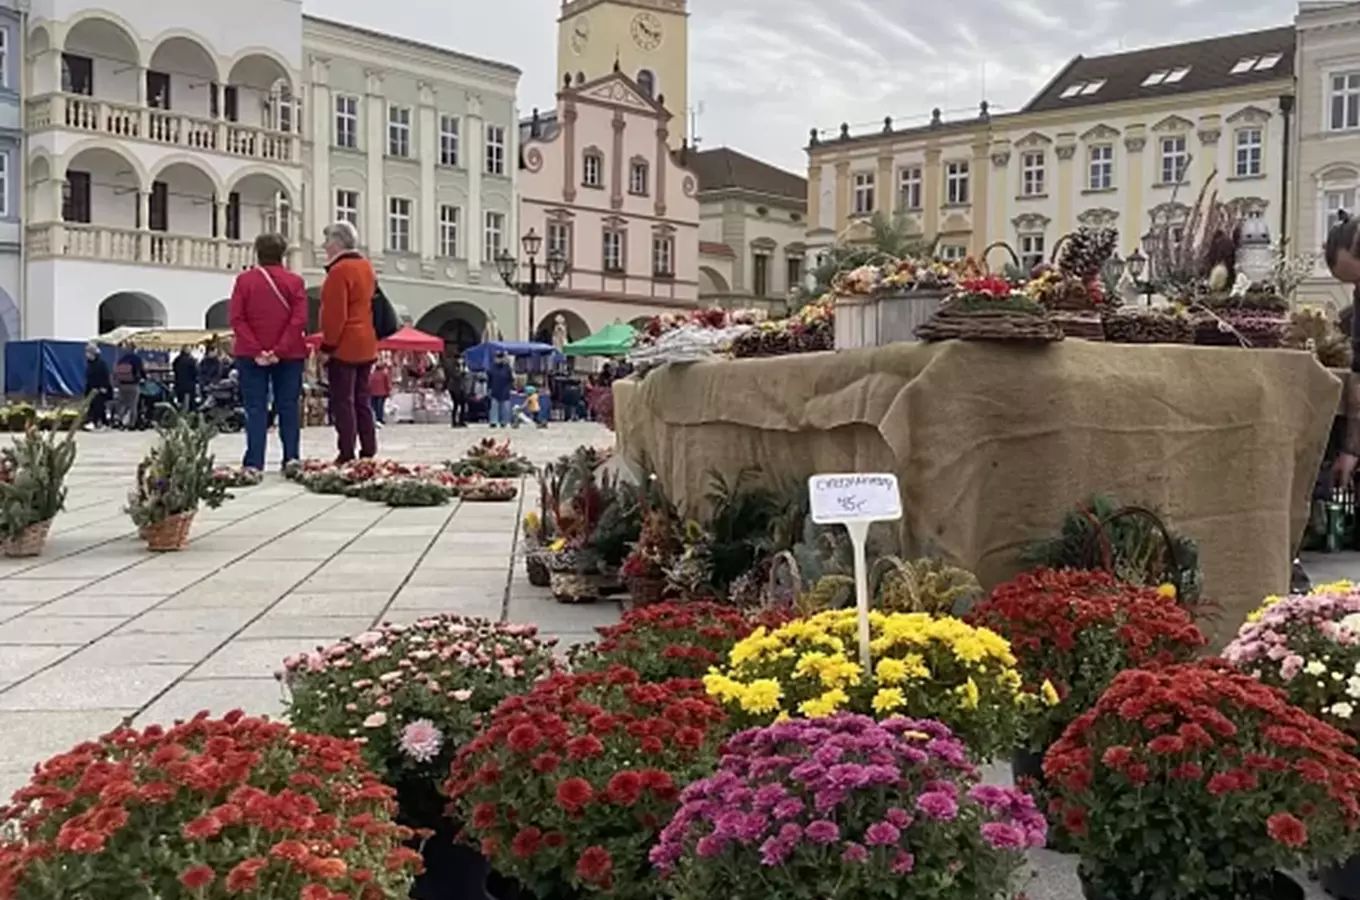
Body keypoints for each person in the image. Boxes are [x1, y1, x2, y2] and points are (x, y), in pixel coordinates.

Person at [229, 231, 308, 472]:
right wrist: (279, 349)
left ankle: (254, 461)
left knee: (255, 408)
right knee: (288, 406)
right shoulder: (295, 282)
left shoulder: (245, 281)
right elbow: (299, 320)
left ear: (258, 253)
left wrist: (257, 349)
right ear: (283, 254)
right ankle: (291, 458)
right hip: (289, 354)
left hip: (250, 355)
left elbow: (237, 318)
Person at [318, 221, 378, 462]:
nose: (324, 246)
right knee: (363, 400)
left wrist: (327, 346)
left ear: (338, 243)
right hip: (367, 342)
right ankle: (369, 447)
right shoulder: (366, 267)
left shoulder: (338, 271)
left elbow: (335, 315)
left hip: (345, 345)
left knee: (344, 401)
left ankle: (346, 452)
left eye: (327, 241)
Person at [111, 341, 144, 429]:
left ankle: (119, 421)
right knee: (133, 405)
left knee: (122, 403)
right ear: (134, 349)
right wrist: (144, 378)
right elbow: (141, 371)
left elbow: (116, 371)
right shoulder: (137, 359)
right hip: (133, 385)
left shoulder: (122, 359)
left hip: (122, 385)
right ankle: (131, 424)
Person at [83, 343, 111, 430]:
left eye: (88, 352)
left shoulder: (101, 364)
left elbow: (105, 375)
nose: (86, 354)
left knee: (98, 405)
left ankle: (97, 423)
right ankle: (102, 423)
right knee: (95, 405)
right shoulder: (90, 364)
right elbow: (89, 378)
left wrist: (104, 387)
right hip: (91, 388)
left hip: (100, 388)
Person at [486, 352, 513, 428]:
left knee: (505, 407)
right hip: (494, 389)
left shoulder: (507, 368)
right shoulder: (491, 368)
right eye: (497, 358)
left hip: (505, 390)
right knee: (494, 407)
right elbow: (489, 380)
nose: (499, 359)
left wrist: (510, 388)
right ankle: (493, 421)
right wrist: (489, 389)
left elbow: (510, 379)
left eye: (500, 357)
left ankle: (504, 421)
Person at [444, 352, 470, 428]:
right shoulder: (452, 366)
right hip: (454, 388)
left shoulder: (464, 365)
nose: (461, 360)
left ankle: (462, 420)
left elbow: (467, 376)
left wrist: (465, 372)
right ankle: (454, 421)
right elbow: (454, 375)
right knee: (455, 405)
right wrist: (462, 372)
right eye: (459, 358)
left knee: (463, 405)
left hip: (462, 388)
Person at [172, 345, 198, 411]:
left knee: (180, 400)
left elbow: (174, 368)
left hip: (179, 382)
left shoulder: (177, 359)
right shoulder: (191, 360)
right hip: (190, 383)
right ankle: (190, 413)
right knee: (191, 401)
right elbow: (195, 372)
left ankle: (180, 412)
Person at [369, 361, 391, 428]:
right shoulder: (384, 374)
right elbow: (387, 384)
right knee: (380, 407)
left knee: (374, 407)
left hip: (372, 393)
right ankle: (380, 419)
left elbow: (369, 384)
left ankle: (374, 419)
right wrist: (388, 392)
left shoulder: (372, 375)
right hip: (382, 393)